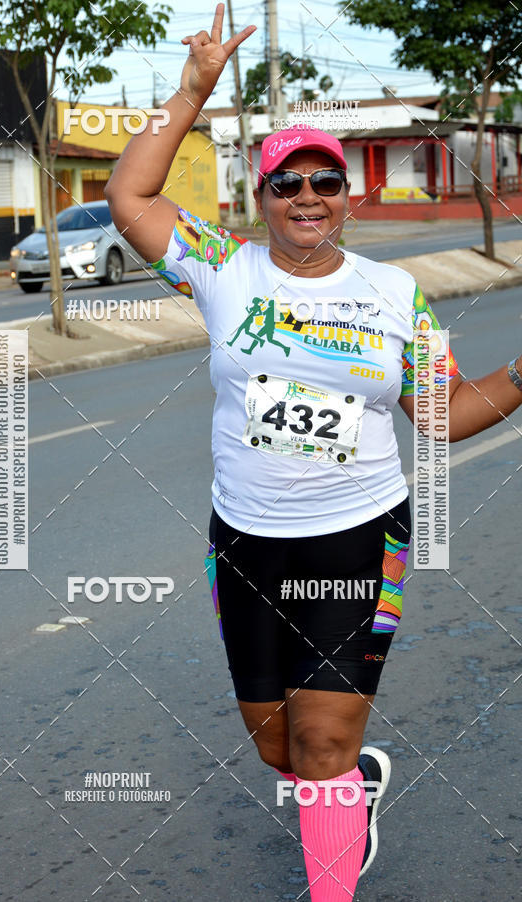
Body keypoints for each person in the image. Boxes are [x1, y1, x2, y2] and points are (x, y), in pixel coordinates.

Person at [105, 5, 522, 898]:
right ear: (260, 199)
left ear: (345, 196)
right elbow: (130, 198)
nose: (306, 197)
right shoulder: (222, 267)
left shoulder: (396, 292)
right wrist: (191, 92)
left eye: (324, 181)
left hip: (359, 539)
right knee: (280, 749)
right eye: (285, 183)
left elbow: (440, 415)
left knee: (322, 741)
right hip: (246, 541)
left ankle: (333, 848)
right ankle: (351, 787)